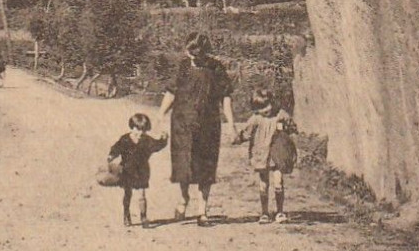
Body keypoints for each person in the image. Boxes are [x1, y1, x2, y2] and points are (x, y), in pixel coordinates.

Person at [159, 32, 235, 225]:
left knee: (206, 167)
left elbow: (225, 97)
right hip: (182, 124)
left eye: (198, 57)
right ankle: (184, 198)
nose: (194, 60)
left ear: (205, 53)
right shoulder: (183, 66)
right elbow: (171, 92)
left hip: (208, 125)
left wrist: (231, 123)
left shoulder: (216, 68)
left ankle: (202, 211)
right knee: (183, 164)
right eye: (190, 55)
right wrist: (160, 115)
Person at [234, 90, 296, 224]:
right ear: (255, 109)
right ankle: (264, 212)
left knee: (278, 182)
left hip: (277, 154)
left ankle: (280, 211)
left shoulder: (280, 115)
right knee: (264, 184)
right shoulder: (255, 119)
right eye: (260, 108)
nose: (266, 110)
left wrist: (286, 129)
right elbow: (247, 134)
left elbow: (292, 127)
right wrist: (237, 138)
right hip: (261, 155)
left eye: (267, 105)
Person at [109, 112, 169, 227]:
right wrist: (111, 156)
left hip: (142, 171)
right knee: (128, 193)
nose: (140, 133)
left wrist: (163, 140)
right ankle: (126, 214)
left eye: (143, 130)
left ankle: (143, 216)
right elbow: (116, 148)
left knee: (142, 194)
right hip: (127, 170)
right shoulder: (125, 139)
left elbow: (157, 145)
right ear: (131, 127)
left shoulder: (146, 140)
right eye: (137, 129)